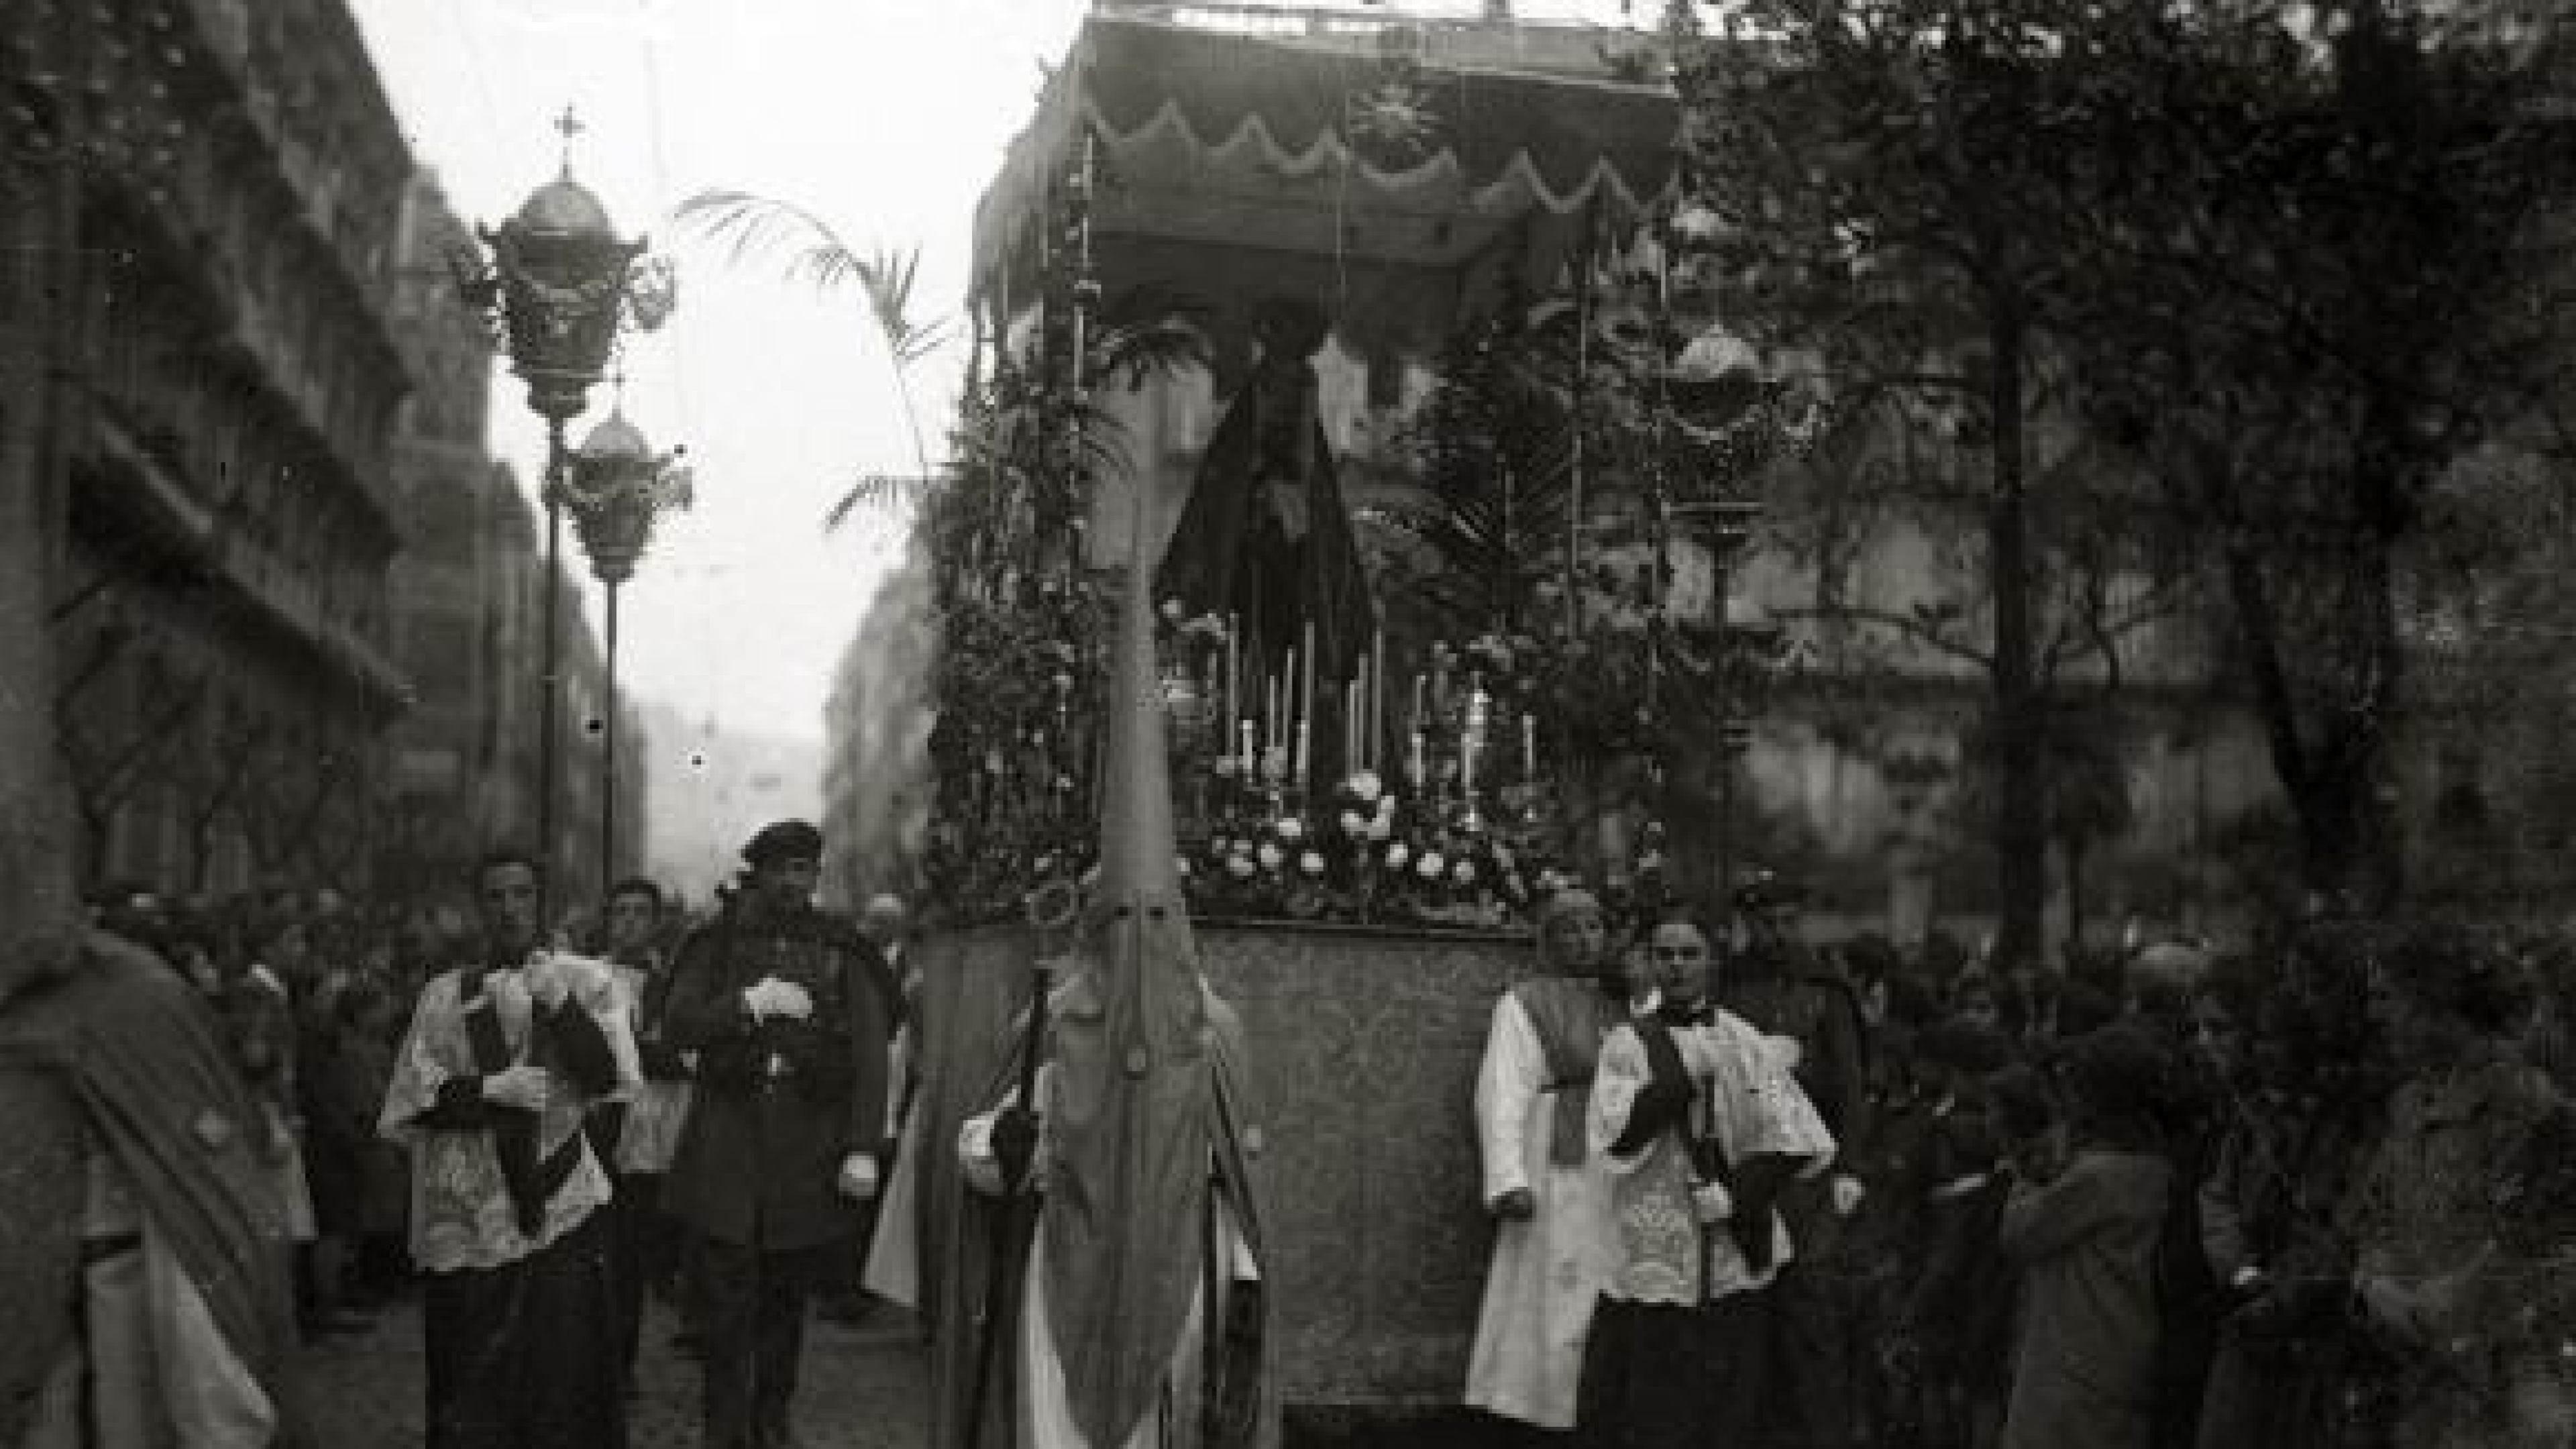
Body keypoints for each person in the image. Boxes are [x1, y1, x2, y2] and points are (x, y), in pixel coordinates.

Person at [2, 921, 307, 1448]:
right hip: (93, 1264)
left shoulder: (143, 1014)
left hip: (149, 1252)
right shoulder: (143, 1010)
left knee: (164, 1403)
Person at [378, 847, 641, 1449]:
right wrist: (485, 1091)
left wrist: (560, 1004)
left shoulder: (588, 981)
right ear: (478, 908)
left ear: (541, 901)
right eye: (494, 897)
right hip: (467, 1215)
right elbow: (411, 1100)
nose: (509, 909)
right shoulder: (443, 996)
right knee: (472, 1377)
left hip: (558, 1203)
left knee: (560, 1376)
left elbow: (607, 1078)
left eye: (522, 894)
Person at [661, 820, 892, 1449]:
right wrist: (747, 1005)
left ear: (816, 877)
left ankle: (771, 1423)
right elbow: (677, 1025)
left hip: (805, 1159)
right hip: (727, 1155)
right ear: (757, 874)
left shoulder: (842, 949)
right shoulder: (715, 944)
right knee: (722, 1316)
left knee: (785, 1312)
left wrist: (864, 1145)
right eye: (780, 870)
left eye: (804, 870)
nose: (793, 883)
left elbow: (872, 1053)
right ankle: (726, 1432)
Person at [1580, 914, 1836, 1449]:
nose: (1677, 966)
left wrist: (1737, 1194)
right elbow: (1616, 1133)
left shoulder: (1743, 1039)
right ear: (1649, 964)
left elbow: (1795, 1137)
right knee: (1657, 1402)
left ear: (1710, 963)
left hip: (1731, 1245)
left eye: (1689, 954)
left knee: (1730, 1402)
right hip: (1656, 1247)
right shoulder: (1626, 1045)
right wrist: (1682, 1075)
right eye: (1665, 954)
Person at [1464, 887, 1631, 1440]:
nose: (1585, 941)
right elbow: (1502, 1093)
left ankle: (1603, 1403)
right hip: (1557, 1161)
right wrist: (1507, 1178)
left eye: (1594, 928)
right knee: (1557, 1284)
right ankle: (1542, 1406)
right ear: (1549, 940)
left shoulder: (1626, 1000)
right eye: (1570, 930)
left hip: (1623, 1159)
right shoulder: (1526, 1002)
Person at [1715, 870, 1872, 1449]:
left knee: (1807, 1308)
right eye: (1764, 924)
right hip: (1743, 1166)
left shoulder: (1825, 989)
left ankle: (1813, 1432)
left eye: (1786, 922)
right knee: (1744, 1300)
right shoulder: (1724, 986)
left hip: (1808, 1171)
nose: (1777, 935)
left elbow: (1852, 1088)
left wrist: (1851, 1167)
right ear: (1746, 925)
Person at [1996, 1026, 2174, 1449]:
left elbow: (2019, 1233)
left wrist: (2027, 1176)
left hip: (2074, 1364)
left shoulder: (2095, 1177)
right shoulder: (2160, 1165)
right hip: (2125, 1356)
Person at [598, 876, 690, 1391]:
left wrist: (637, 1051)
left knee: (630, 1257)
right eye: (620, 912)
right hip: (595, 1131)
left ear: (655, 923)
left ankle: (620, 1364)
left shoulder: (669, 983)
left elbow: (682, 1056)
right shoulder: (587, 979)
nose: (630, 922)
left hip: (646, 1138)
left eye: (640, 912)